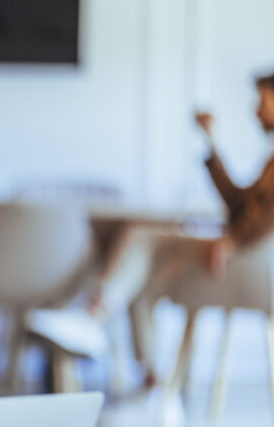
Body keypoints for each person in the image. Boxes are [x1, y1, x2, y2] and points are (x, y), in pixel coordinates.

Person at [29, 71, 274, 378]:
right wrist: (210, 141)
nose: (256, 109)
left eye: (263, 100)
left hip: (247, 263)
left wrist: (233, 241)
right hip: (242, 255)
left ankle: (93, 317)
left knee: (140, 239)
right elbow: (238, 204)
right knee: (138, 271)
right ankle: (151, 384)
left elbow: (266, 217)